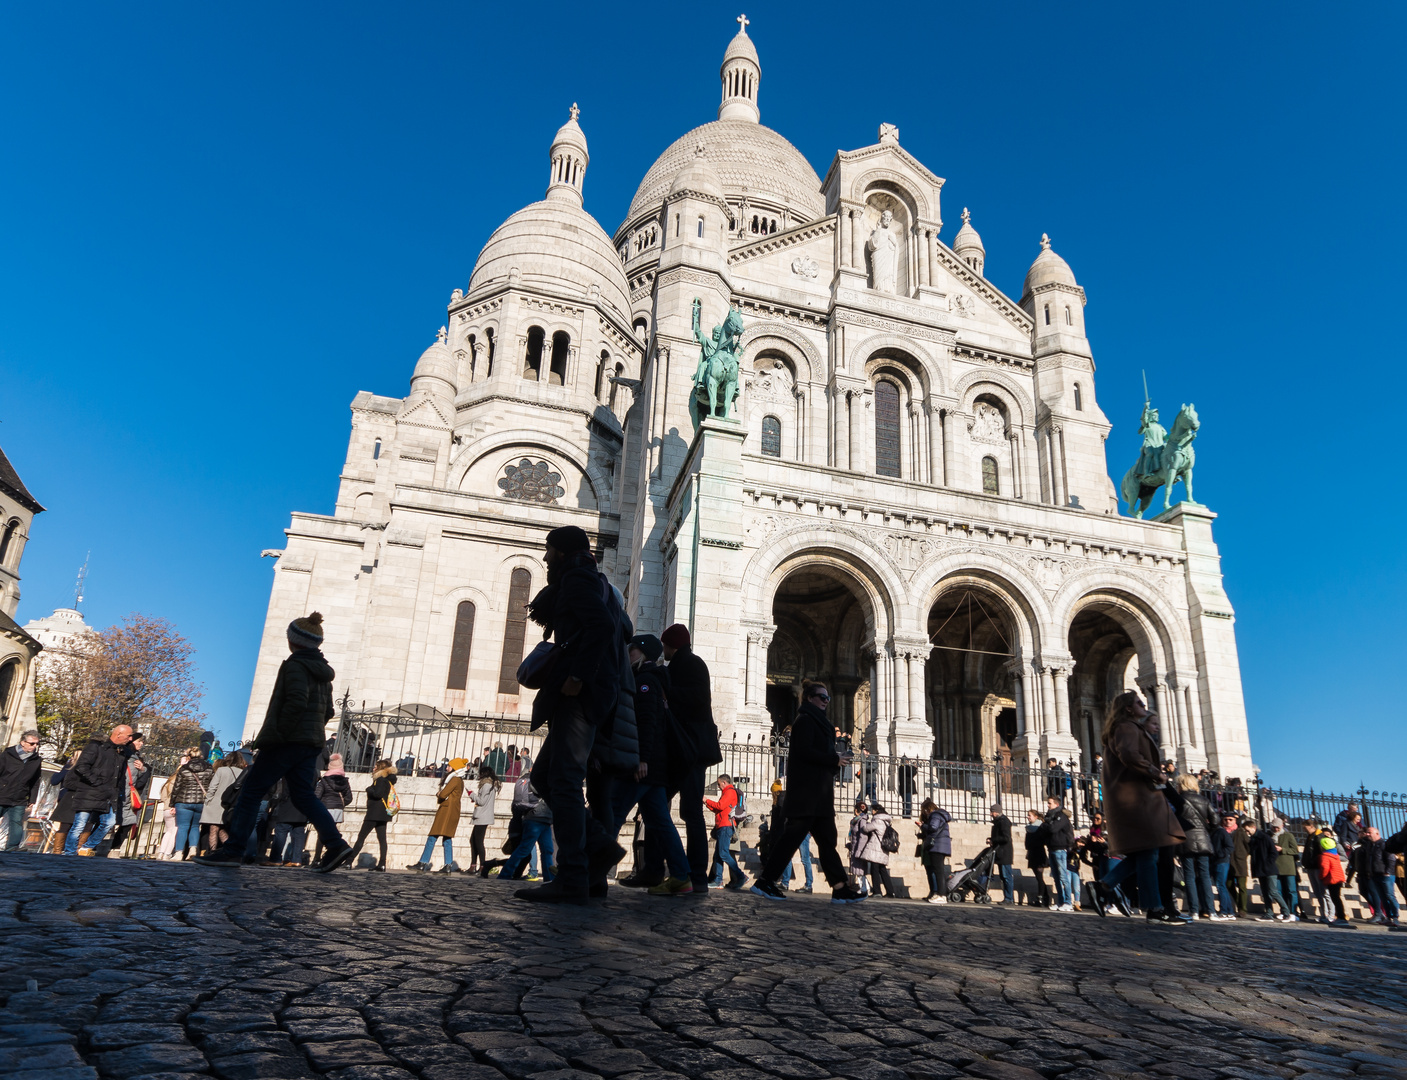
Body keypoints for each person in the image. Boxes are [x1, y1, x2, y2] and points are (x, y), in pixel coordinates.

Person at [517, 526, 626, 904]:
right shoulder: (595, 580)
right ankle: (599, 851)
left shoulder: (578, 578)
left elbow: (602, 626)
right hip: (589, 692)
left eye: (549, 551)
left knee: (562, 781)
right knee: (546, 776)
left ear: (561, 552)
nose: (545, 558)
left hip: (580, 693)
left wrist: (578, 675)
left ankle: (574, 876)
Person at [195, 612, 352, 871]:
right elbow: (327, 712)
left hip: (286, 741)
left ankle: (233, 851)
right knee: (303, 796)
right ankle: (335, 844)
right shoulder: (322, 673)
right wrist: (310, 731)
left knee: (250, 792)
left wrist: (278, 736)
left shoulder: (295, 665)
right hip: (310, 742)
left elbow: (296, 702)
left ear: (293, 641)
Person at [748, 682, 866, 904]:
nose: (826, 701)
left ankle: (840, 888)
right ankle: (765, 881)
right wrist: (833, 759)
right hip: (806, 795)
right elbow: (804, 752)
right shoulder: (804, 721)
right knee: (790, 839)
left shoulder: (823, 725)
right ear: (809, 698)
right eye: (821, 697)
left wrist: (836, 761)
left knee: (827, 842)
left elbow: (823, 756)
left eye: (828, 697)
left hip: (819, 795)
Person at [1087, 691, 1185, 924]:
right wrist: (1156, 773)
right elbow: (1130, 755)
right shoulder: (1126, 727)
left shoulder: (1124, 728)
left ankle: (1103, 886)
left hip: (1136, 798)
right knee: (1149, 851)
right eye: (1139, 703)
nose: (1144, 705)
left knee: (1146, 852)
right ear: (1129, 708)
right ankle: (1154, 907)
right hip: (1138, 800)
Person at [609, 633, 692, 896]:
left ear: (642, 653)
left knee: (613, 814)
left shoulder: (645, 682)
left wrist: (642, 758)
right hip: (655, 768)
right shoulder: (652, 680)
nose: (628, 653)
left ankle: (585, 868)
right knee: (660, 823)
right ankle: (681, 876)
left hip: (645, 766)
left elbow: (647, 723)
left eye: (632, 650)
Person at [661, 622, 722, 893]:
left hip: (689, 751)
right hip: (683, 749)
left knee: (689, 812)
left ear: (672, 644)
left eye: (665, 645)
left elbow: (696, 699)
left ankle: (695, 875)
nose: (663, 649)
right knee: (663, 806)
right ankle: (677, 871)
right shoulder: (684, 665)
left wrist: (666, 693)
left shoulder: (692, 664)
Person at [64, 725, 133, 856]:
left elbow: (120, 774)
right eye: (128, 736)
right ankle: (69, 851)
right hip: (89, 791)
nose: (130, 739)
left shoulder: (121, 751)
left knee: (109, 823)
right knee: (80, 824)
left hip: (109, 793)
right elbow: (82, 766)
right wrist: (96, 782)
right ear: (118, 734)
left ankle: (87, 846)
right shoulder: (96, 747)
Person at [409, 758, 468, 872]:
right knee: (447, 839)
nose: (447, 768)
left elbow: (443, 794)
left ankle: (423, 862)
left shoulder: (455, 779)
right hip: (451, 811)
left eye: (449, 766)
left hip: (447, 811)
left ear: (454, 767)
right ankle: (447, 865)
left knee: (433, 837)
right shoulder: (459, 780)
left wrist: (439, 793)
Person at [1172, 773, 1216, 920]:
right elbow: (1215, 820)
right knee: (1205, 877)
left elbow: (1172, 819)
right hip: (1203, 840)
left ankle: (1194, 911)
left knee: (1189, 877)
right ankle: (1211, 911)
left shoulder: (1178, 800)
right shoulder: (1204, 800)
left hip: (1186, 841)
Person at [347, 759, 397, 871]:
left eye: (375, 767)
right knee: (382, 840)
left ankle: (348, 861)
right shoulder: (389, 780)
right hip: (383, 814)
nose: (373, 768)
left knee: (361, 837)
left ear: (380, 768)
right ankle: (382, 864)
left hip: (374, 813)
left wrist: (369, 789)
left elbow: (377, 794)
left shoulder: (380, 779)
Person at [167, 747, 214, 860]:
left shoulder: (184, 768)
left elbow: (177, 787)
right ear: (201, 756)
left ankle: (179, 852)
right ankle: (193, 850)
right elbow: (212, 786)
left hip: (183, 800)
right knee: (195, 826)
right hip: (201, 802)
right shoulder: (209, 768)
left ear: (189, 757)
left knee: (182, 827)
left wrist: (172, 803)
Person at [0, 730, 43, 852]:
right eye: (32, 743)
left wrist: (32, 798)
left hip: (20, 797)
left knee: (17, 822)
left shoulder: (36, 760)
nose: (34, 746)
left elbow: (35, 781)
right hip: (3, 793)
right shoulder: (8, 755)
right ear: (23, 742)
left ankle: (12, 848)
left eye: (36, 744)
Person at [1306, 822, 1353, 927]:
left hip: (1331, 879)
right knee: (1336, 897)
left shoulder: (1325, 856)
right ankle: (1340, 916)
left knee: (1334, 898)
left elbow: (1325, 868)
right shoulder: (1334, 855)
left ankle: (1340, 917)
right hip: (1338, 878)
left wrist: (1321, 876)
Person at [705, 774, 746, 889]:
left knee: (723, 853)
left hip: (725, 826)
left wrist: (707, 800)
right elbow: (718, 808)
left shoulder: (729, 792)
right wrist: (706, 803)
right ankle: (718, 880)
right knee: (718, 855)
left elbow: (720, 805)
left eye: (719, 784)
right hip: (722, 826)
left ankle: (741, 875)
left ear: (724, 782)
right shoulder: (726, 792)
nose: (718, 786)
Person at [312, 754, 353, 865]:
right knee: (332, 831)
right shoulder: (344, 781)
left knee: (322, 833)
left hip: (325, 808)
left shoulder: (324, 780)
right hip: (338, 810)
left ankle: (317, 858)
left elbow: (317, 796)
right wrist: (341, 804)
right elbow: (349, 797)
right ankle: (329, 853)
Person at [1355, 827, 1399, 928]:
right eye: (1366, 833)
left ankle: (1395, 917)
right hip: (1375, 875)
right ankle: (1388, 917)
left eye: (1369, 832)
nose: (1367, 834)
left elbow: (1391, 858)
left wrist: (1387, 872)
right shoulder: (1370, 846)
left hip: (1385, 875)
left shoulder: (1383, 844)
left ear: (1377, 833)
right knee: (1383, 897)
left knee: (1389, 896)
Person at [202, 753, 245, 854]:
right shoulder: (242, 772)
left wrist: (208, 800)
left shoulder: (222, 770)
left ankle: (212, 852)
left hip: (216, 803)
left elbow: (213, 787)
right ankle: (229, 851)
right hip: (231, 804)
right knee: (222, 829)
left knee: (214, 829)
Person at [1042, 795, 1077, 911]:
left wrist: (1047, 825)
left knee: (1063, 877)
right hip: (1051, 848)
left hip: (1060, 849)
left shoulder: (1061, 816)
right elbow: (1045, 828)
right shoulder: (1050, 817)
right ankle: (1060, 901)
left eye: (1050, 803)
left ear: (1056, 804)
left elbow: (1052, 829)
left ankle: (1068, 902)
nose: (1048, 805)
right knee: (1056, 877)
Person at [855, 799, 896, 898]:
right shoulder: (886, 822)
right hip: (883, 849)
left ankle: (877, 891)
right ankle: (891, 892)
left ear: (876, 811)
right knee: (883, 870)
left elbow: (866, 829)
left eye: (873, 810)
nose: (871, 812)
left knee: (875, 870)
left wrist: (864, 822)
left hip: (876, 849)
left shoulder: (877, 820)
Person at [267, 778, 310, 866]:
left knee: (281, 831)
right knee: (298, 834)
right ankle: (296, 860)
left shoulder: (291, 772)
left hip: (288, 806)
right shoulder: (312, 772)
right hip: (303, 806)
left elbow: (286, 791)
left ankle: (275, 859)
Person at [467, 764, 500, 874]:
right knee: (474, 840)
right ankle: (474, 865)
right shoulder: (490, 785)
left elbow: (481, 801)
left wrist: (471, 794)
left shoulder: (486, 785)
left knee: (478, 842)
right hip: (482, 815)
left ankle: (482, 866)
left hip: (482, 816)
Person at [920, 799, 952, 903]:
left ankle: (941, 894)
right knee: (939, 870)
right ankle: (940, 894)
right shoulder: (941, 815)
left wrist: (922, 826)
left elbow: (933, 827)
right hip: (942, 845)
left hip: (937, 845)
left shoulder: (935, 815)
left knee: (938, 871)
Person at [1210, 812, 1238, 919]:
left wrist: (1219, 854)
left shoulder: (1221, 832)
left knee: (1221, 885)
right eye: (1225, 819)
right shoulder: (1216, 831)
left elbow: (1230, 847)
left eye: (1230, 819)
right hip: (1217, 861)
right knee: (1221, 886)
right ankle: (1228, 911)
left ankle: (1225, 911)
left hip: (1221, 861)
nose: (1227, 821)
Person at [1274, 819, 1302, 921]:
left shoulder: (1288, 835)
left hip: (1288, 867)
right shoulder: (1270, 836)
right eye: (1274, 827)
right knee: (1279, 891)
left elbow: (1295, 850)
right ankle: (1284, 911)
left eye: (1277, 827)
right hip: (1276, 868)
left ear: (1282, 825)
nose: (1276, 829)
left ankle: (1293, 912)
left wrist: (1283, 850)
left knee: (1291, 890)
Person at [988, 804, 1015, 904]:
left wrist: (993, 840)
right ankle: (1008, 897)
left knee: (1006, 876)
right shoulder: (999, 821)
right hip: (1001, 852)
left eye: (992, 812)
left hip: (1004, 853)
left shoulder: (1003, 822)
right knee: (1004, 877)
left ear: (997, 812)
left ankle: (1009, 898)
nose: (991, 814)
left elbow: (1006, 838)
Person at [1024, 809, 1049, 907]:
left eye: (1030, 815)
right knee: (1038, 877)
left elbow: (1042, 840)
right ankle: (1045, 896)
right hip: (1032, 853)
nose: (1028, 817)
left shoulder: (1040, 827)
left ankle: (1041, 897)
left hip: (1039, 852)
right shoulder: (1028, 828)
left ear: (1036, 817)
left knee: (1039, 877)